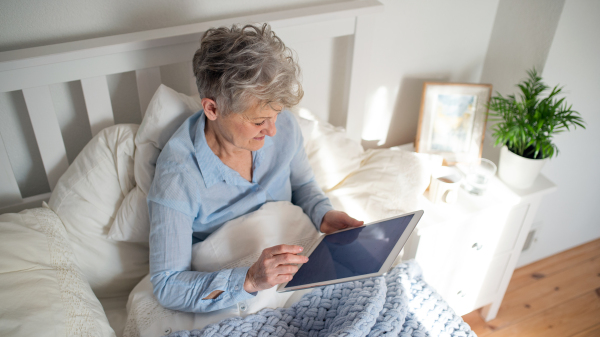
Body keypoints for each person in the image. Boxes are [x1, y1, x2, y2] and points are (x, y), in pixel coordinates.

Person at [147, 23, 363, 313]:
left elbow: (302, 186)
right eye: (259, 121)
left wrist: (323, 214)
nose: (272, 130)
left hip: (302, 265)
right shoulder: (178, 176)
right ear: (212, 109)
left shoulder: (284, 126)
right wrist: (248, 280)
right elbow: (167, 284)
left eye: (275, 115)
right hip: (240, 289)